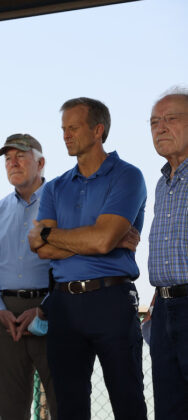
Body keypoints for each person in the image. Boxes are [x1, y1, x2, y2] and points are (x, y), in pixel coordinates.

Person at [27, 97, 147, 420]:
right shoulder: (54, 188)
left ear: (98, 130)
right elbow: (41, 248)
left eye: (73, 127)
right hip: (64, 305)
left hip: (111, 299)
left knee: (128, 402)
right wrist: (96, 239)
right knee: (69, 409)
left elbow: (101, 239)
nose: (65, 135)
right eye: (63, 128)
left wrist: (54, 234)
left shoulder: (128, 177)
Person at [0, 134, 57, 420]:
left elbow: (70, 263)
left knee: (64, 402)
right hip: (5, 319)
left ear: (41, 162)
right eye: (8, 158)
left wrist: (45, 308)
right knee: (10, 409)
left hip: (50, 311)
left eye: (20, 156)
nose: (13, 163)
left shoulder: (59, 202)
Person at [146, 87, 188, 419]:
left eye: (171, 119)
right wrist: (157, 298)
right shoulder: (163, 182)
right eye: (154, 122)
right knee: (169, 408)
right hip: (163, 309)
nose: (160, 128)